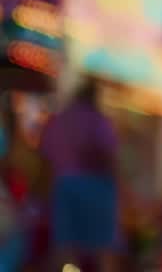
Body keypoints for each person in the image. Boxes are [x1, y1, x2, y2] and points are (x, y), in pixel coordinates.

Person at [38, 78, 120, 272]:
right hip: (94, 189)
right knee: (100, 250)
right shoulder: (98, 120)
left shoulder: (61, 119)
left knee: (64, 247)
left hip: (63, 186)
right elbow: (107, 157)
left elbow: (45, 158)